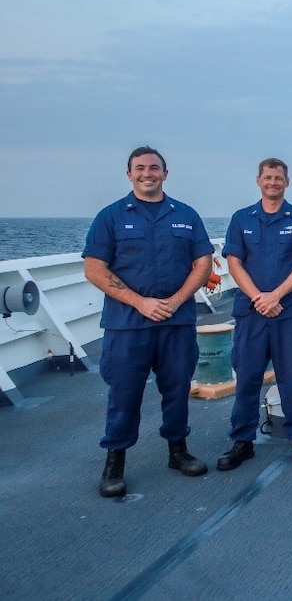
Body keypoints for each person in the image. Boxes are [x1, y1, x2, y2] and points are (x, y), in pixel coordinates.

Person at [83, 147, 213, 497]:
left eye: (154, 168)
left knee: (177, 389)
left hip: (176, 321)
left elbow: (203, 263)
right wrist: (140, 302)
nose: (147, 174)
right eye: (140, 168)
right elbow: (95, 268)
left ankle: (178, 451)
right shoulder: (110, 217)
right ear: (129, 175)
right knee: (124, 393)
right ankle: (115, 462)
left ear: (165, 174)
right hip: (127, 324)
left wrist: (174, 301)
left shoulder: (185, 215)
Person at [216, 158, 292, 470]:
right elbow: (234, 263)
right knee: (247, 378)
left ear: (287, 182)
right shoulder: (241, 219)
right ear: (258, 181)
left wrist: (275, 295)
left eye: (278, 178)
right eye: (268, 177)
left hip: (289, 313)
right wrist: (259, 298)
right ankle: (242, 441)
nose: (273, 182)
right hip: (252, 313)